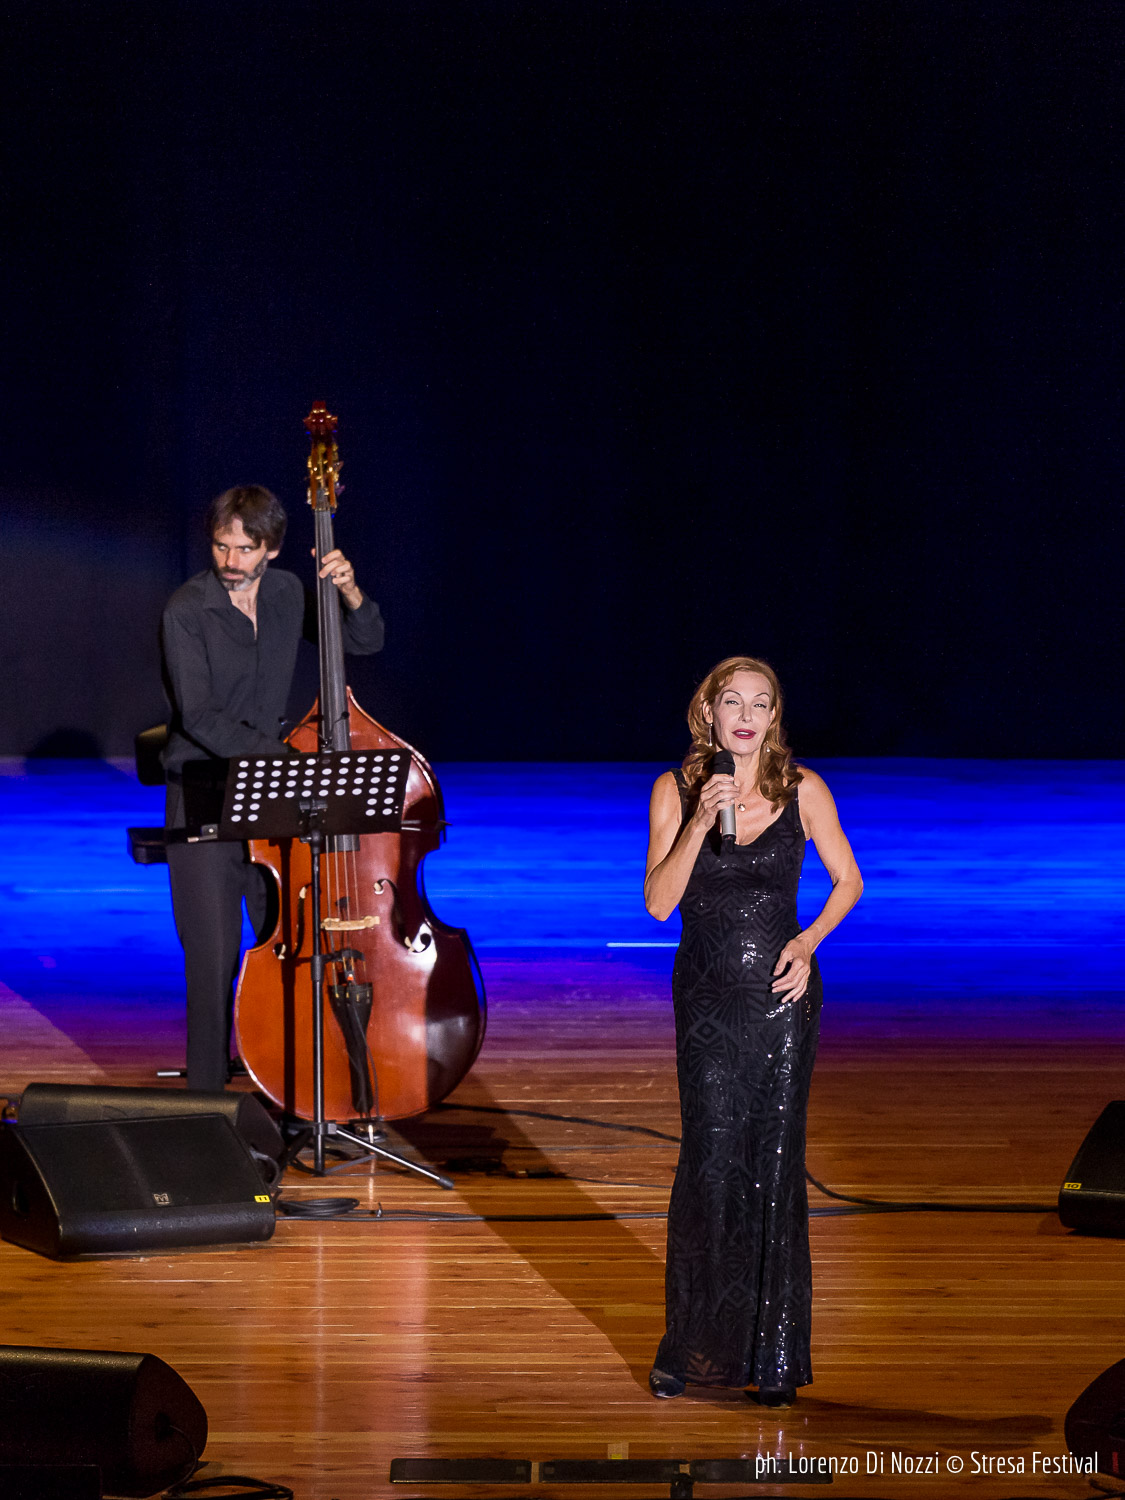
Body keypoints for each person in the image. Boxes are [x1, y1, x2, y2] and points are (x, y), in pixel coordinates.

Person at [643, 655, 862, 1408]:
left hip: (781, 1001)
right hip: (707, 1000)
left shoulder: (803, 789)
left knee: (772, 1163)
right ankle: (691, 1347)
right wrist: (700, 822)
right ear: (708, 712)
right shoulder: (673, 792)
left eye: (759, 703)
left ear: (773, 717)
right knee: (709, 1162)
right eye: (731, 701)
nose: (745, 715)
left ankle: (773, 1357)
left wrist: (808, 942)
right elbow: (658, 904)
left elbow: (848, 880)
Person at [161, 484, 384, 1092]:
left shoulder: (286, 592)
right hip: (205, 792)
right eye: (221, 546)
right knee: (213, 961)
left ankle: (292, 1090)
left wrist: (349, 591)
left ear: (273, 549)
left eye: (244, 549)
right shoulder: (187, 610)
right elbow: (199, 718)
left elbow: (364, 641)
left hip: (271, 794)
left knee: (286, 946)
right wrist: (288, 760)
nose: (230, 560)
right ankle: (207, 1102)